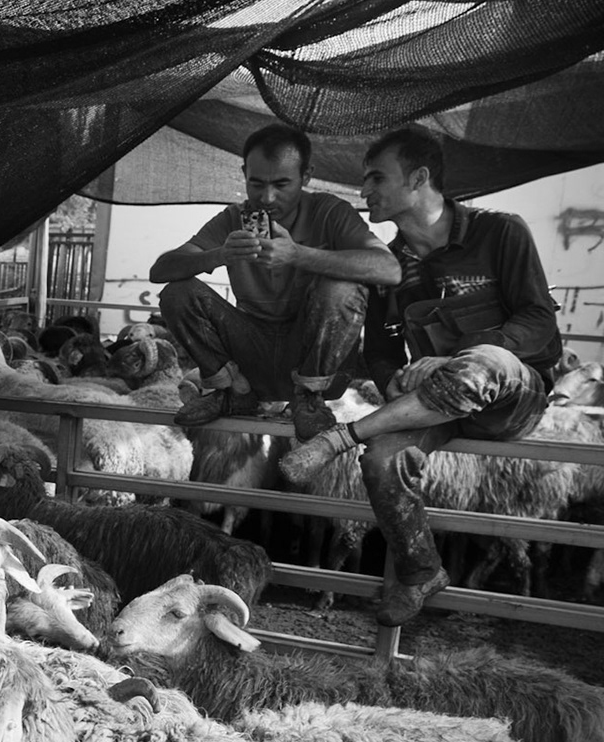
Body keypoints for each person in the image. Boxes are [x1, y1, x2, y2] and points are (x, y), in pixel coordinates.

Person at [278, 124, 561, 627]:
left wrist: (467, 355)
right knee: (382, 460)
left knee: (484, 364)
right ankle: (421, 569)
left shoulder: (500, 232)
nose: (364, 192)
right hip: (433, 401)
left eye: (375, 179)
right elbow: (384, 347)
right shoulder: (391, 263)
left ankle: (341, 437)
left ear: (419, 179)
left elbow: (538, 320)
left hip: (511, 396)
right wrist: (393, 381)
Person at [150, 123, 400, 440]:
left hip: (316, 361)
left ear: (306, 176)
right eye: (256, 184)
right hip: (251, 357)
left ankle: (309, 399)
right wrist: (217, 255)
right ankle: (231, 391)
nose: (267, 197)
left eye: (282, 184)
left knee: (344, 286)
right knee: (178, 291)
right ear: (243, 173)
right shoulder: (233, 218)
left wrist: (297, 255)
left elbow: (389, 269)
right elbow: (160, 270)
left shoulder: (329, 211)